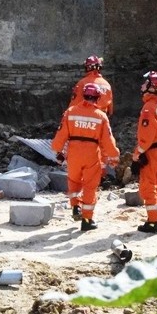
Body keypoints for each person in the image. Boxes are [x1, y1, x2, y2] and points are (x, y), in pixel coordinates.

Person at [52, 82, 120, 231]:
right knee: (90, 186)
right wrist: (114, 156)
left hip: (74, 152)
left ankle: (75, 206)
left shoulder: (70, 112)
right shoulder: (101, 116)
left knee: (74, 180)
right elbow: (108, 139)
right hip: (91, 153)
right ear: (97, 98)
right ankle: (87, 220)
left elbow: (61, 134)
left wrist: (58, 150)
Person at [130, 71, 157, 233]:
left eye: (145, 83)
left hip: (151, 150)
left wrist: (137, 154)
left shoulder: (149, 108)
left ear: (152, 87)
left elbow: (146, 137)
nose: (142, 86)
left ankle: (153, 222)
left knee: (148, 186)